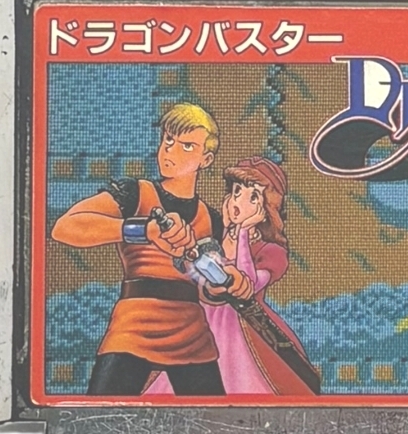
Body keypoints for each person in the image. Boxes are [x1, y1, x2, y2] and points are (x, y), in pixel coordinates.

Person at [51, 102, 226, 395]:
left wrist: (219, 285)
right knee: (102, 414)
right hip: (134, 327)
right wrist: (144, 230)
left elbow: (210, 288)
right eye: (168, 140)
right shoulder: (135, 193)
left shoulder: (211, 219)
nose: (170, 151)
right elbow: (66, 227)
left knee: (215, 418)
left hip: (191, 335)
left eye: (186, 146)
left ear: (205, 159)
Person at [146, 156, 320, 396]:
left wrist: (244, 234)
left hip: (244, 332)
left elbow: (247, 285)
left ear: (266, 209)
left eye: (253, 197)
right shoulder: (213, 239)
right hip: (201, 326)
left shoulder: (271, 252)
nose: (239, 201)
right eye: (237, 191)